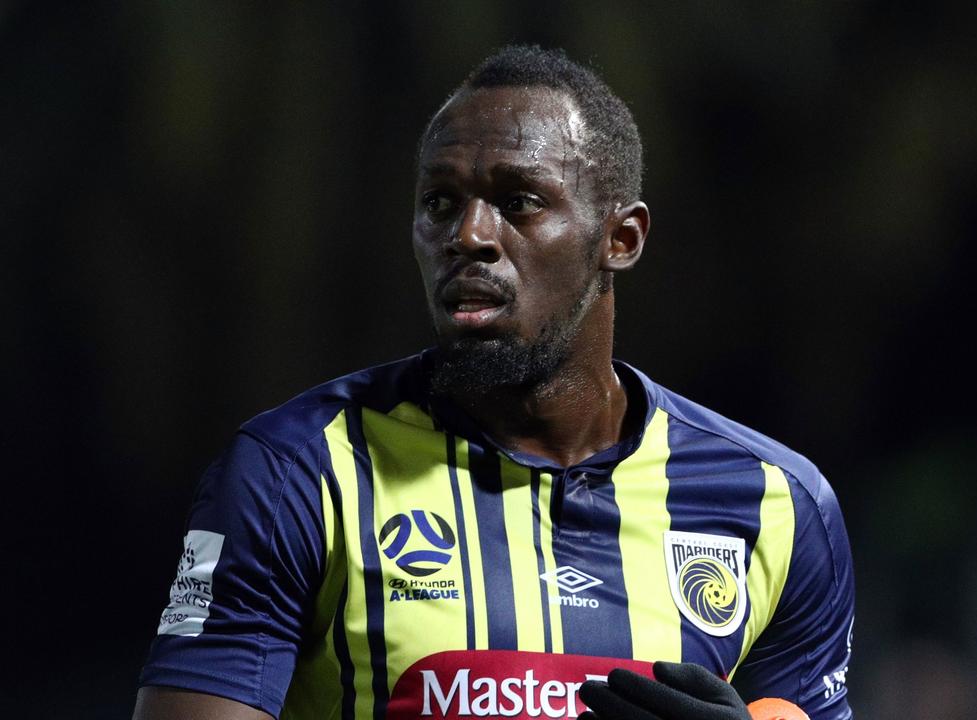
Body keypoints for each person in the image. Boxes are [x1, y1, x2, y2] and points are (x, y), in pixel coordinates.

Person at [134, 45, 855, 720]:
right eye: (440, 203)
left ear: (621, 238)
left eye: (518, 201)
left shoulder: (775, 506)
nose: (468, 234)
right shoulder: (296, 473)